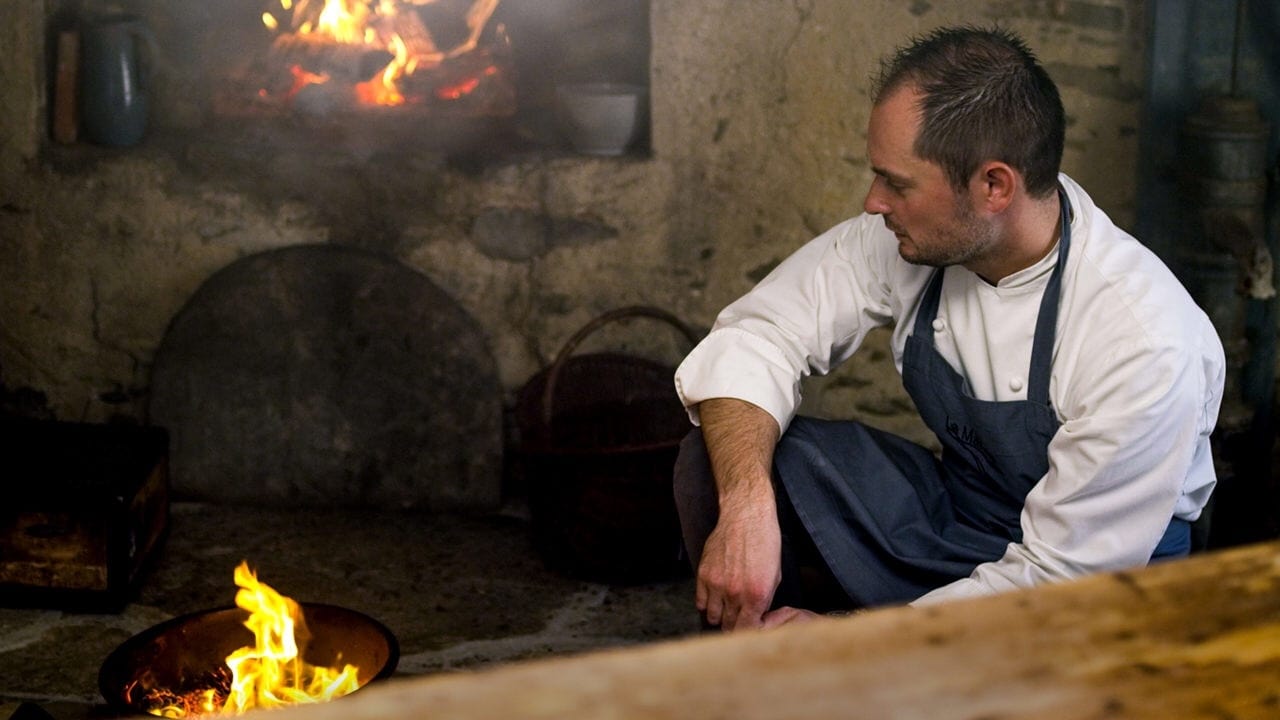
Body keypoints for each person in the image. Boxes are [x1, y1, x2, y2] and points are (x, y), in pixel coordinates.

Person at [671, 25, 1226, 632]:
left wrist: (851, 640)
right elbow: (759, 337)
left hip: (1092, 590)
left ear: (994, 186)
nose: (872, 201)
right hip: (961, 519)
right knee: (726, 457)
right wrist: (748, 506)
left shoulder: (1140, 338)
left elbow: (1062, 579)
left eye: (897, 182)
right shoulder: (906, 239)